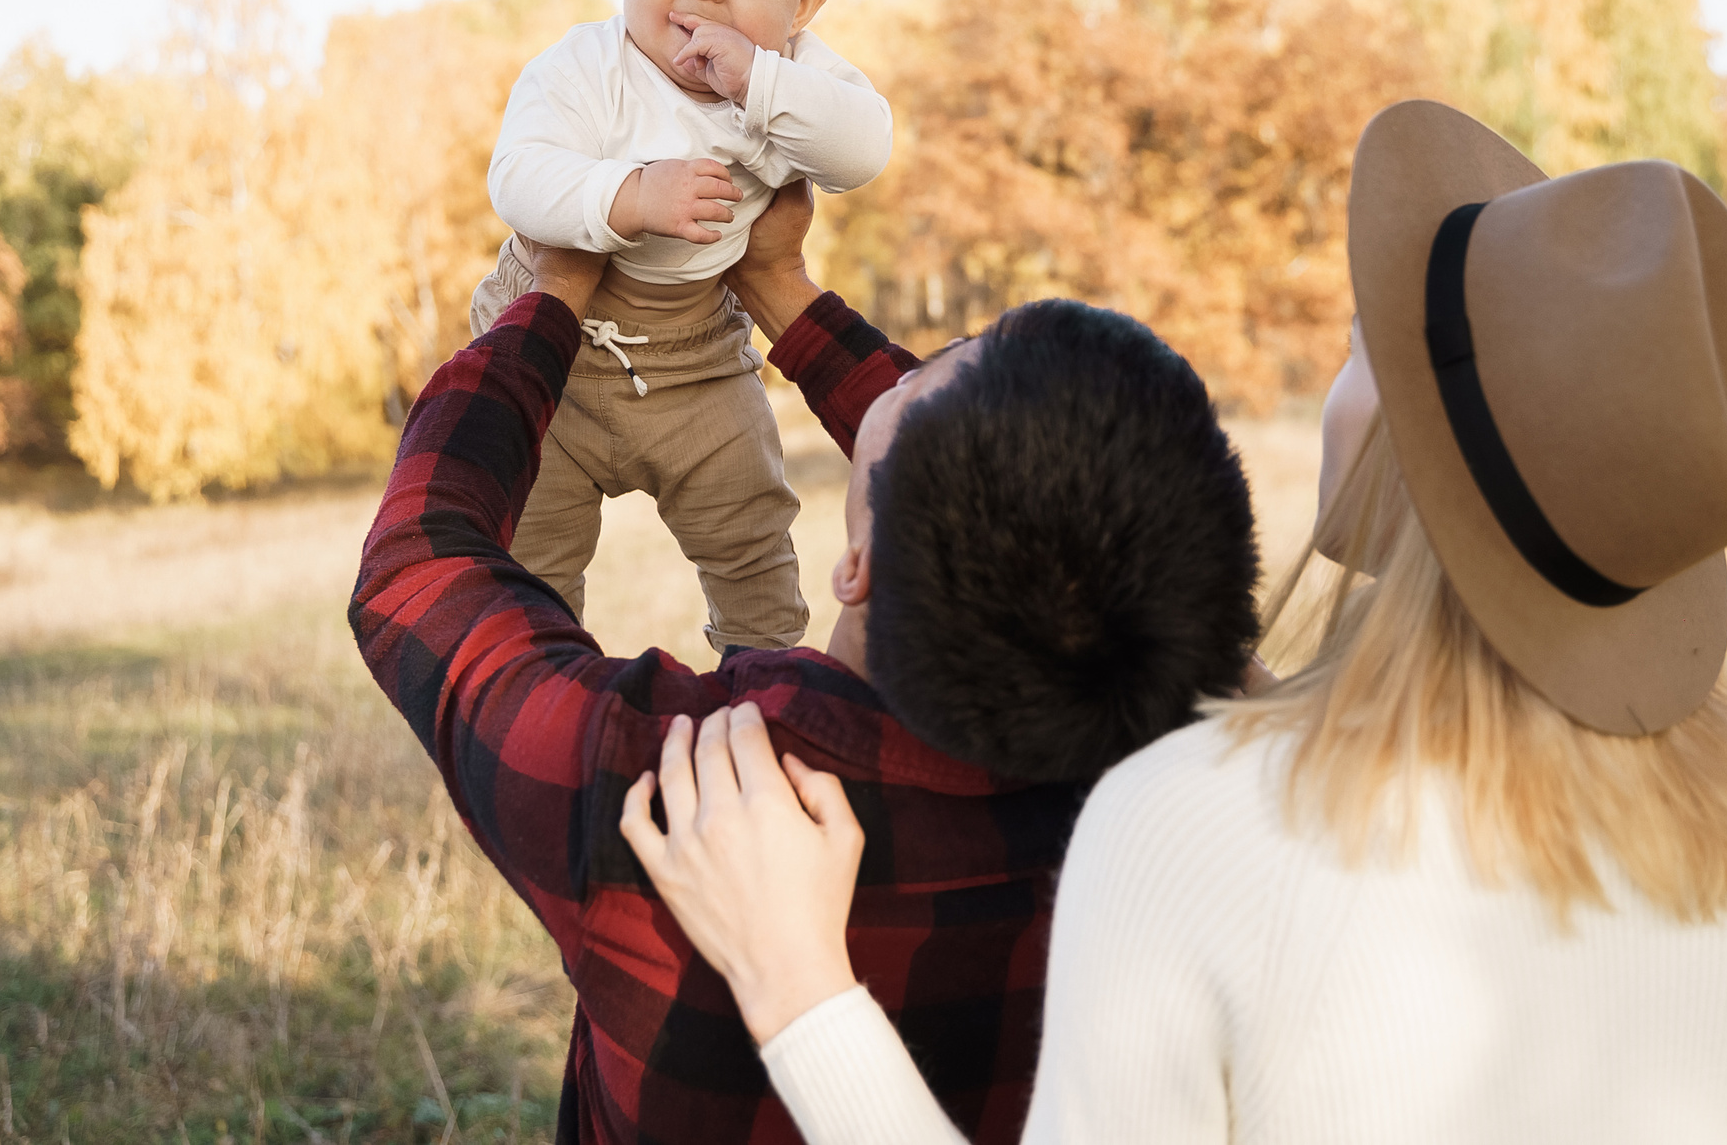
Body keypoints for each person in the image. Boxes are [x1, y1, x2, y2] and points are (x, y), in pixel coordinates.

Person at [623, 99, 1727, 1145]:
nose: (1337, 366)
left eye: (1361, 343)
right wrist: (792, 301)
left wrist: (796, 982)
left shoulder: (1196, 825)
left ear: (1401, 448)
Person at [351, 178, 1262, 1145]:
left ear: (858, 567)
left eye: (924, 373)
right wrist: (779, 287)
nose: (912, 368)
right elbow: (1013, 493)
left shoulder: (683, 792)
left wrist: (553, 297)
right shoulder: (1168, 776)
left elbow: (417, 569)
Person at [471, 0, 894, 655]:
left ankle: (765, 676)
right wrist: (627, 194)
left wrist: (760, 83)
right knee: (528, 553)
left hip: (699, 354)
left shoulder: (797, 77)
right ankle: (544, 680)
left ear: (802, 4)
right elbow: (516, 177)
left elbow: (864, 149)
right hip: (558, 343)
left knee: (750, 527)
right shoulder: (587, 67)